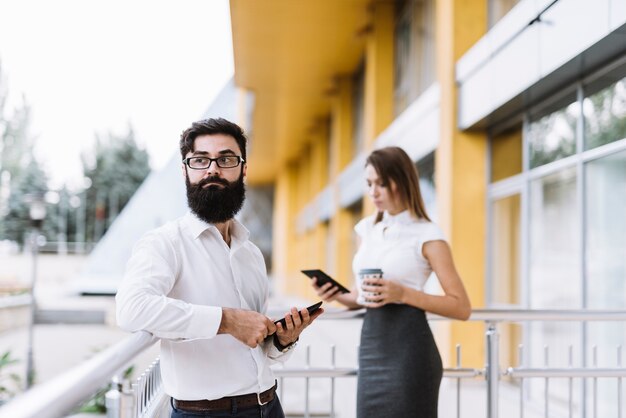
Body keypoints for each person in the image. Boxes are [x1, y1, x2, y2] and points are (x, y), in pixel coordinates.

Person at [116, 118, 323, 418]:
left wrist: (282, 340)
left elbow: (256, 347)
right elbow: (131, 309)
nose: (213, 169)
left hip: (269, 405)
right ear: (185, 170)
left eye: (225, 159)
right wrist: (226, 321)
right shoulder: (164, 243)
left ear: (243, 169)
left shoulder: (251, 253)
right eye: (200, 160)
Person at [311, 146, 471, 418]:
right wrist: (336, 294)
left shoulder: (428, 235)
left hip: (410, 354)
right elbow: (363, 296)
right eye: (369, 183)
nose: (373, 192)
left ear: (403, 180)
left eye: (382, 184)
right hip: (372, 349)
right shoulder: (366, 229)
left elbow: (461, 307)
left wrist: (403, 294)